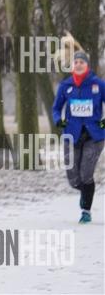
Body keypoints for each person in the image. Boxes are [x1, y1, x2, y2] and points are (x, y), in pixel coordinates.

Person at [52, 51, 105, 224]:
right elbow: (56, 108)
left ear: (87, 65)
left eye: (82, 62)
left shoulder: (98, 84)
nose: (79, 64)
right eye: (76, 62)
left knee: (86, 174)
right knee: (74, 179)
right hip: (71, 135)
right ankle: (85, 192)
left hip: (94, 136)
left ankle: (86, 211)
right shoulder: (65, 86)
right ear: (72, 66)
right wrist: (58, 120)